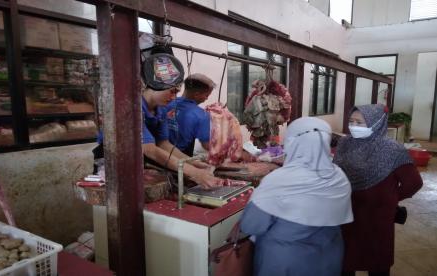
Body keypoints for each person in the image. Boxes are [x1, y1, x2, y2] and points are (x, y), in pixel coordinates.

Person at [240, 117, 353, 276]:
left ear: (292, 143)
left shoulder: (278, 181)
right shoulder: (339, 177)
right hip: (327, 259)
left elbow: (251, 225)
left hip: (285, 263)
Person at [333, 104, 423, 276]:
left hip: (377, 217)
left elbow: (413, 183)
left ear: (377, 123)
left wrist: (391, 198)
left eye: (359, 122)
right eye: (351, 121)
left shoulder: (392, 150)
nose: (354, 126)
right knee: (346, 261)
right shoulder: (345, 143)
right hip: (347, 214)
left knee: (377, 262)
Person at [141, 53, 223, 189]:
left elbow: (164, 144)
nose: (174, 98)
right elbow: (150, 149)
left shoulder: (160, 110)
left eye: (176, 93)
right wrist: (194, 173)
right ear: (155, 86)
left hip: (146, 167)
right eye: (171, 91)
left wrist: (193, 162)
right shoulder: (133, 108)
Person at [165, 73, 215, 156]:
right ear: (196, 95)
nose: (207, 99)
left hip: (158, 153)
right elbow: (206, 145)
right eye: (206, 95)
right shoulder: (202, 115)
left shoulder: (165, 103)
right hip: (181, 157)